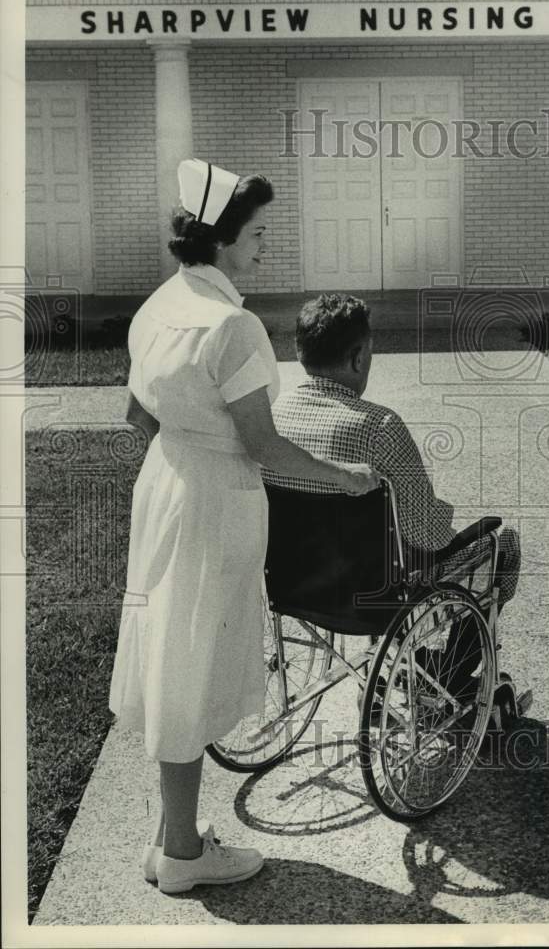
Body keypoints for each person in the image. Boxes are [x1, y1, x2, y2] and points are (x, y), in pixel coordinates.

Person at [108, 162, 378, 895]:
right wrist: (346, 478)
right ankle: (184, 857)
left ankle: (174, 833)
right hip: (214, 503)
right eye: (256, 235)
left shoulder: (160, 305)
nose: (265, 248)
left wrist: (186, 455)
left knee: (172, 657)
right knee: (191, 669)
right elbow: (263, 445)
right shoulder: (232, 325)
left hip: (166, 487)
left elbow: (138, 415)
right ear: (222, 239)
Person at [262, 294, 521, 689]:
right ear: (358, 358)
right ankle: (449, 673)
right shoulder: (380, 426)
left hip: (295, 585)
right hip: (375, 593)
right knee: (504, 545)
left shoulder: (272, 422)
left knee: (385, 547)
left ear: (300, 351)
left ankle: (416, 662)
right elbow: (428, 535)